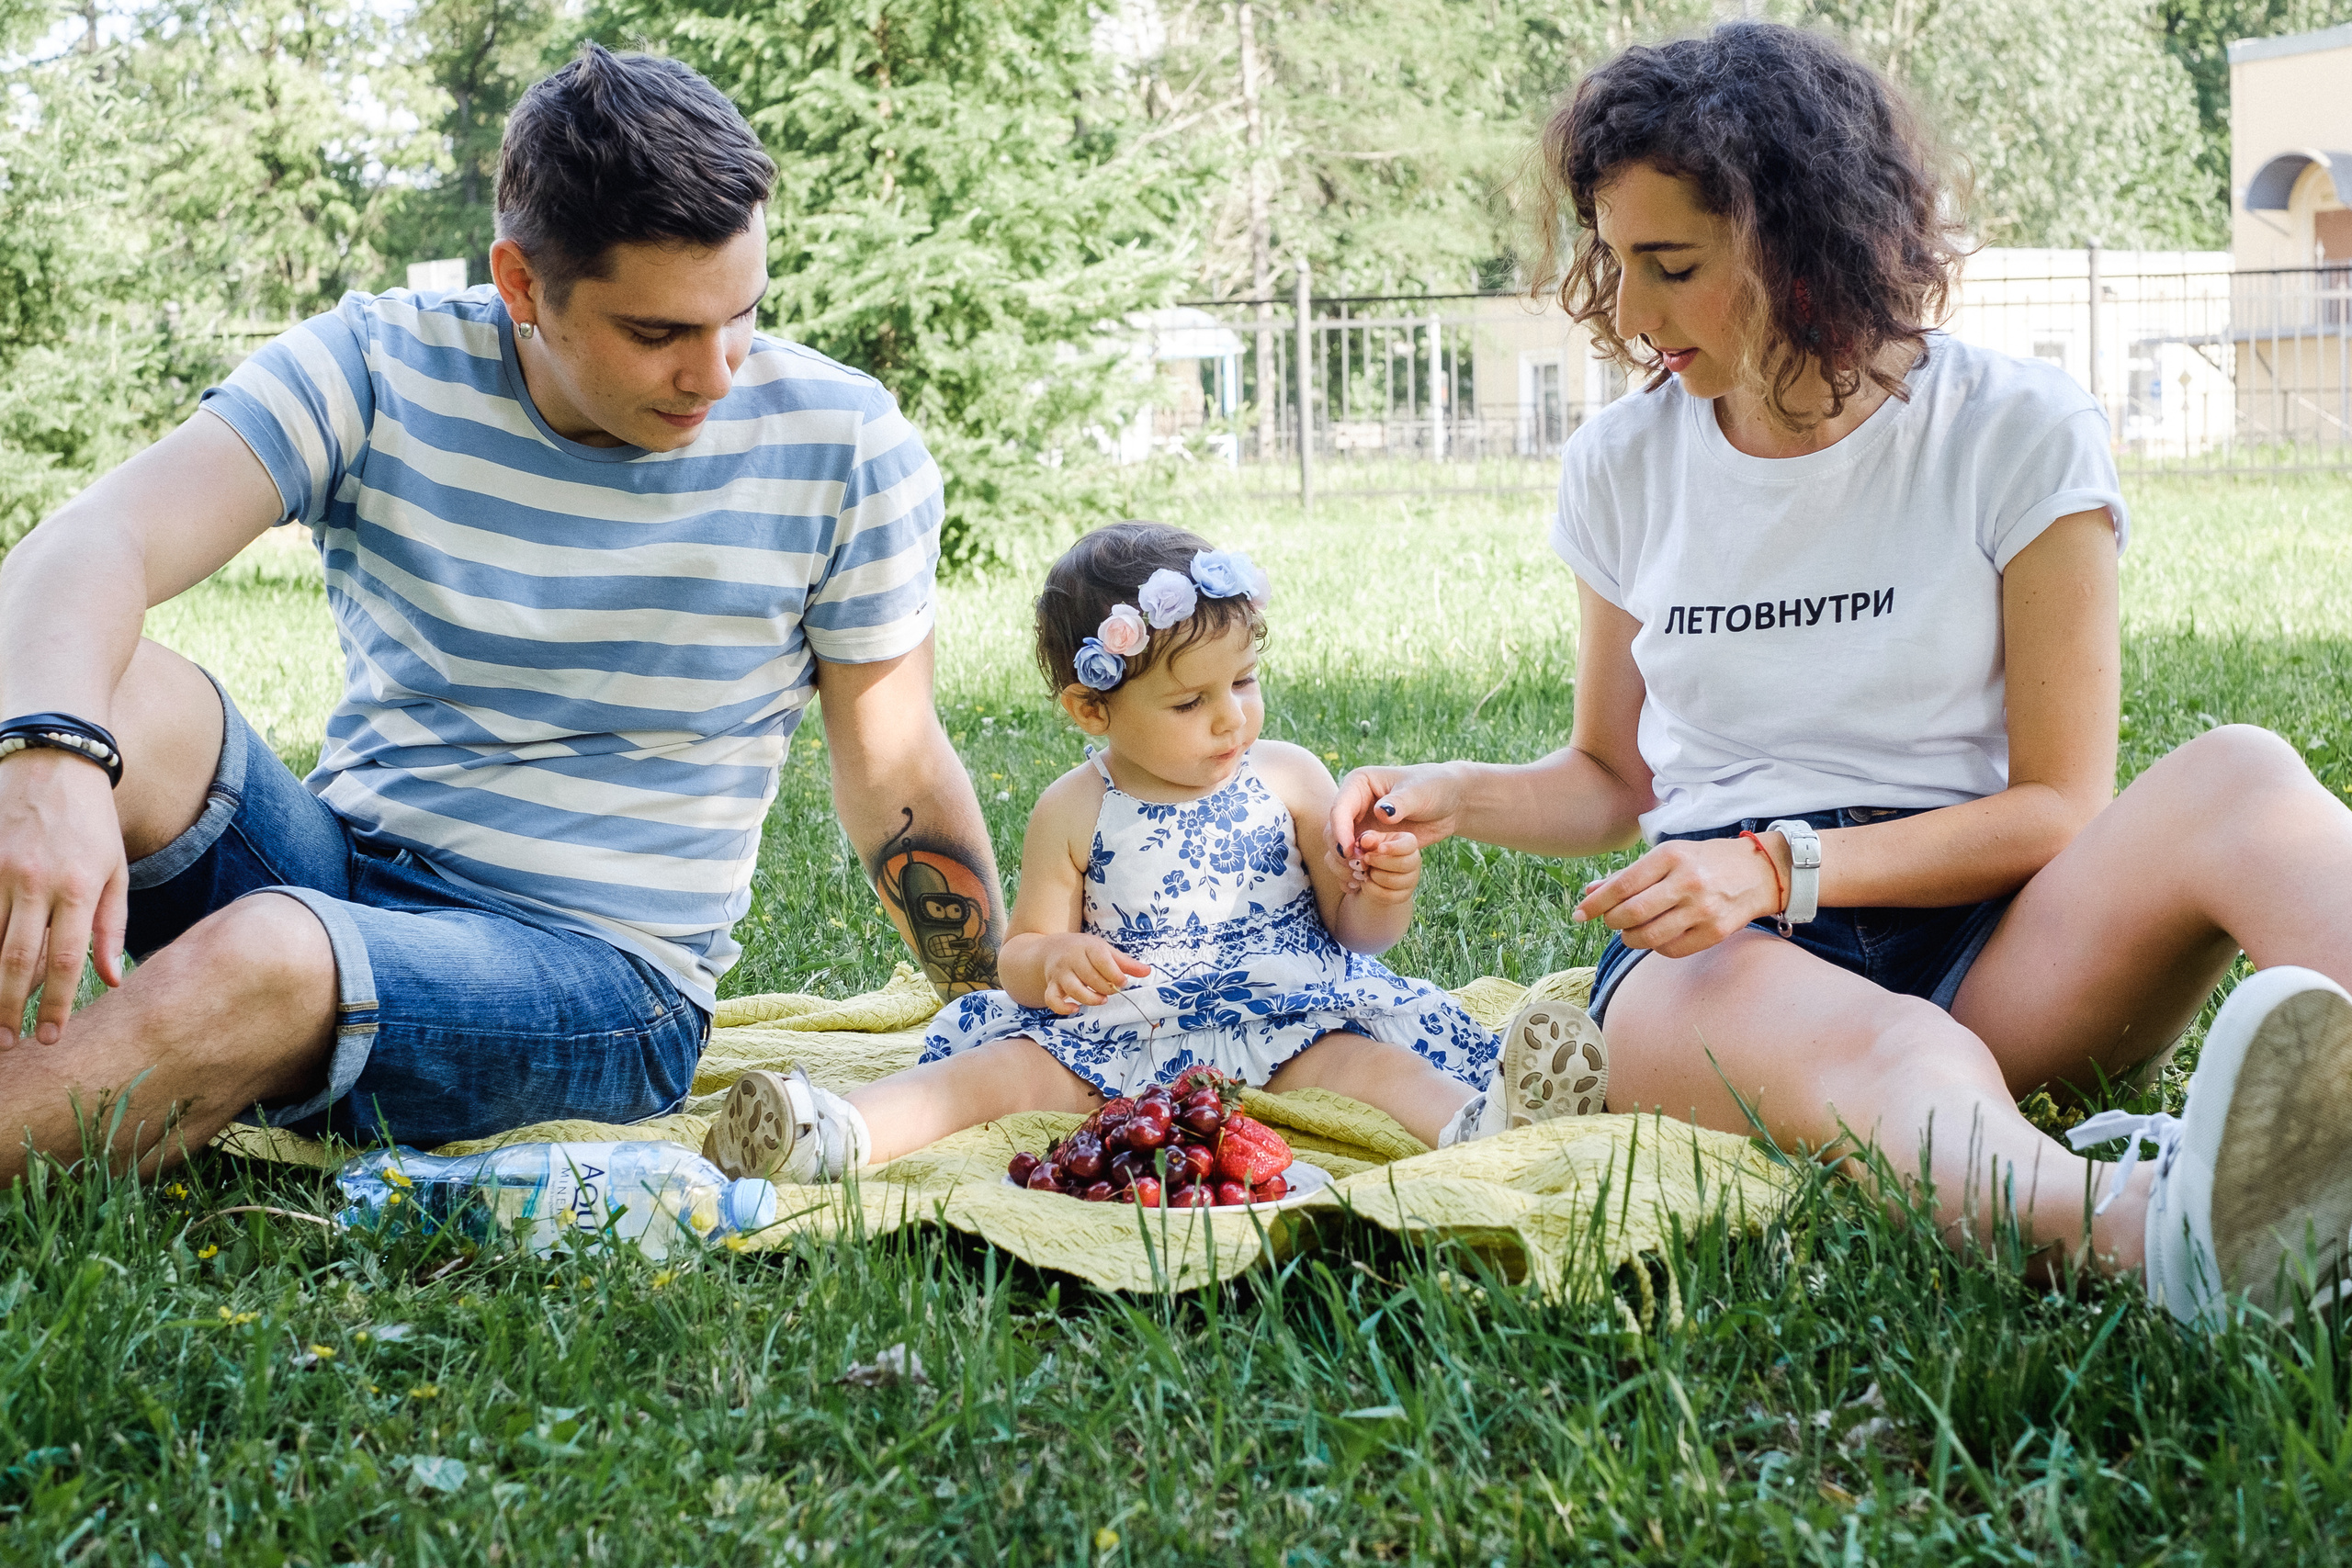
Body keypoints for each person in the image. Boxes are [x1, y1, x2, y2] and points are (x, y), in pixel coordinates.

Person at [1329, 22, 2352, 1328]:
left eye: (1674, 265)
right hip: (1719, 965)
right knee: (1905, 1054)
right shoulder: (1626, 467)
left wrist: (1784, 858)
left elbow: (2056, 807)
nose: (1631, 317)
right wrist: (1456, 793)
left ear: (1804, 242)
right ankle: (2166, 1242)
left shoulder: (2017, 432)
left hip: (1987, 934)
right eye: (1614, 262)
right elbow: (1612, 776)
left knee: (2243, 777)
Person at [0, 45, 1005, 1179]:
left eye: (743, 315)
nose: (717, 373)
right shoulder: (383, 361)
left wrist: (1000, 1010)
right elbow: (88, 544)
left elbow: (899, 773)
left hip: (601, 980)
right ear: (521, 285)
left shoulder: (845, 443)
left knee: (277, 956)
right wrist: (49, 763)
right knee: (89, 688)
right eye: (658, 333)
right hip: (341, 864)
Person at [698, 522, 1517, 1184]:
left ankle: (1488, 1121)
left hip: (1287, 1017)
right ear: (1093, 709)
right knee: (998, 1077)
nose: (1232, 718)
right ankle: (831, 1131)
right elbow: (1015, 954)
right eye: (1192, 700)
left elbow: (1356, 934)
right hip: (1124, 1033)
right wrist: (1055, 956)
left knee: (1371, 1065)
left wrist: (1383, 887)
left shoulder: (1291, 777)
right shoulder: (1075, 809)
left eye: (1244, 682)